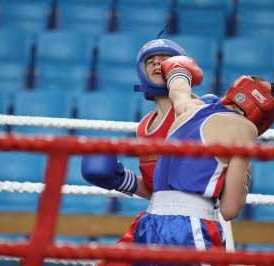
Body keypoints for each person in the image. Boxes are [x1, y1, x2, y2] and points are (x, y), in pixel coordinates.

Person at [131, 56, 274, 262]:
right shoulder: (244, 128)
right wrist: (245, 179)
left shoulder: (190, 109)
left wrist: (178, 68)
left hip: (150, 222)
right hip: (191, 226)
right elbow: (230, 209)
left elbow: (178, 90)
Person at [81, 39, 214, 266]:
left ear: (181, 66)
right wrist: (122, 181)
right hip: (153, 218)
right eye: (151, 62)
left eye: (164, 60)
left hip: (188, 223)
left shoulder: (198, 111)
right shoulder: (144, 126)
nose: (157, 64)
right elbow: (160, 191)